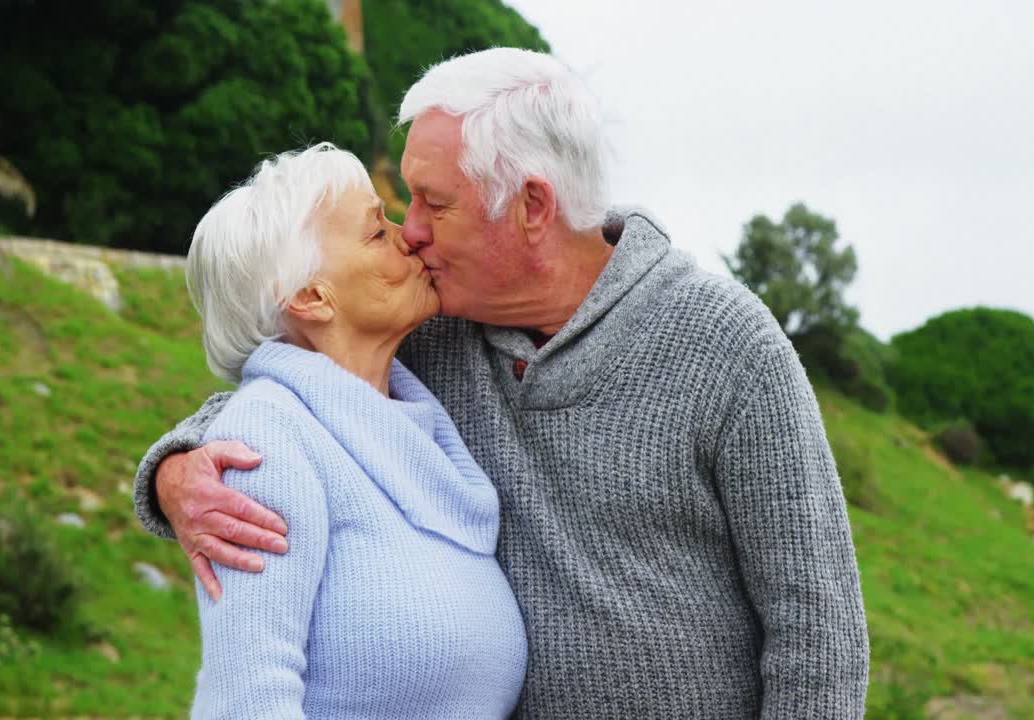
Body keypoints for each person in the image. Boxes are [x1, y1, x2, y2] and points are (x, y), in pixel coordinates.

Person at [135, 48, 870, 718]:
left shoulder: (725, 343)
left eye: (435, 203)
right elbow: (293, 385)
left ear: (531, 207)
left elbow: (820, 637)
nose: (410, 229)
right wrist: (176, 469)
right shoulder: (435, 329)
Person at [177, 143, 526, 719]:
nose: (408, 236)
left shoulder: (425, 430)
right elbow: (247, 697)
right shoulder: (265, 439)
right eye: (374, 232)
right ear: (311, 297)